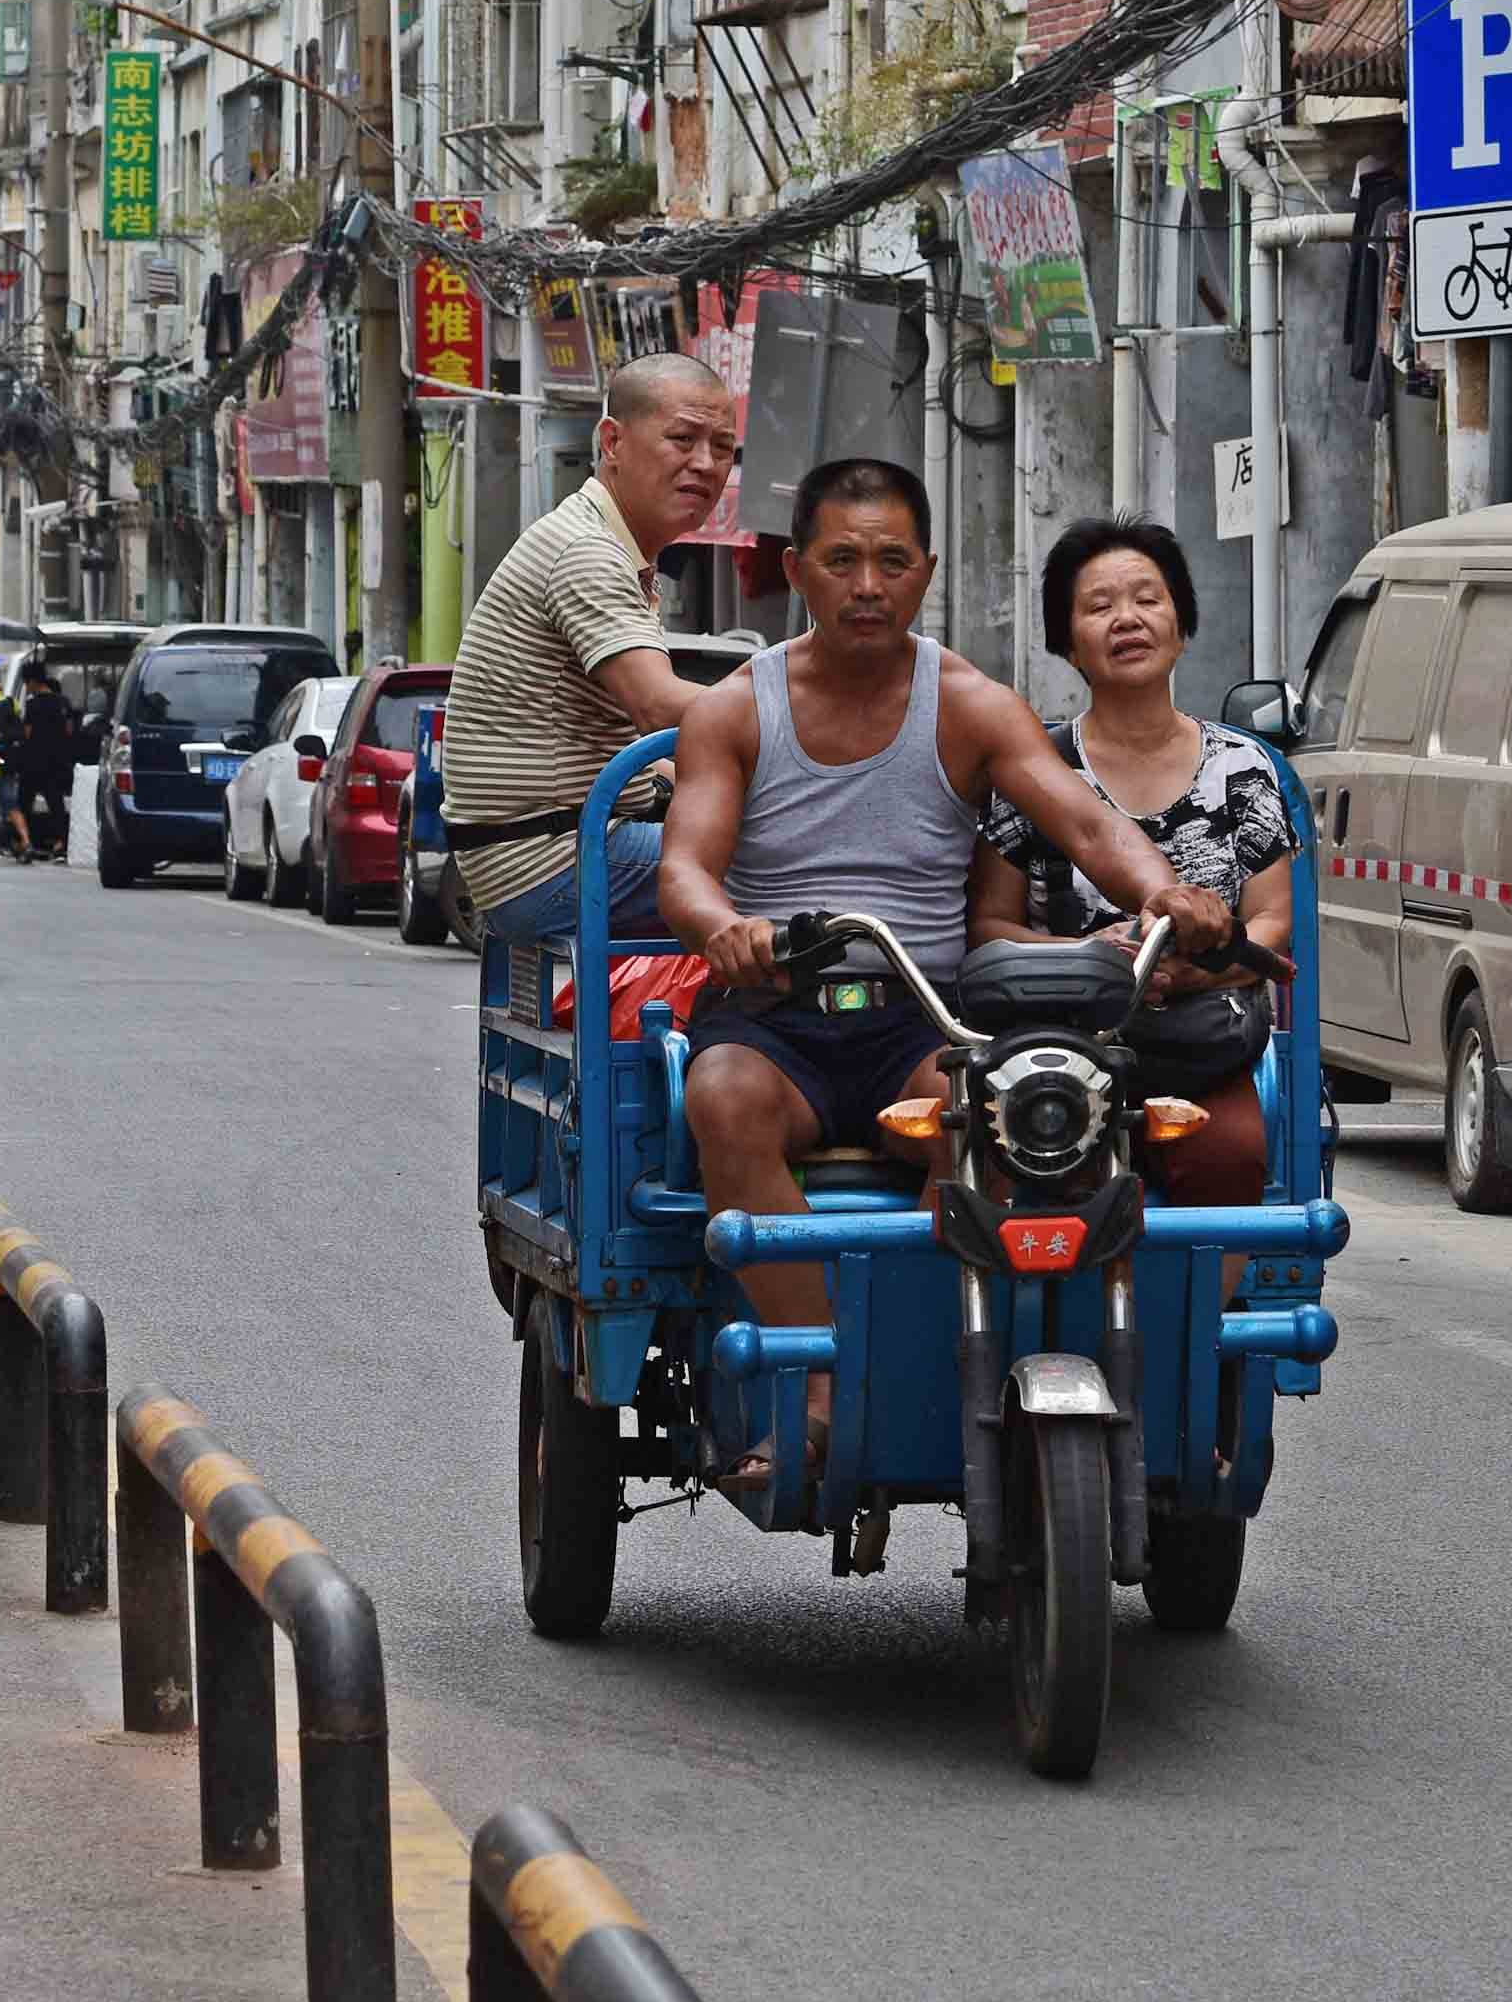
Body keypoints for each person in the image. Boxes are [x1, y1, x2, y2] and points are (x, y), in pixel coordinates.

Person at [657, 460, 1232, 1470]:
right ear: (798, 571)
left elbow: (1088, 826)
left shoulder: (970, 702)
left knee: (1005, 1123)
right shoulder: (734, 711)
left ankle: (931, 1357)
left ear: (925, 573)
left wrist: (1160, 890)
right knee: (721, 1099)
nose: (866, 585)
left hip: (920, 1018)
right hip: (773, 1019)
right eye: (840, 561)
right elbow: (684, 869)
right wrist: (724, 929)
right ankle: (824, 1376)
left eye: (889, 561)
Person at [969, 518, 1299, 1198]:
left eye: (1148, 599)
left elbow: (1270, 923)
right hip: (1058, 1045)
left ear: (1182, 624)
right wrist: (1087, 959)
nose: (1128, 619)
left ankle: (1196, 1307)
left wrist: (1187, 974)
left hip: (1201, 1042)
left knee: (1231, 1154)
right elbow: (990, 927)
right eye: (1099, 606)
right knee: (1027, 1163)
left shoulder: (1243, 768)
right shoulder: (1036, 772)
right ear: (1068, 642)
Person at [439, 353, 744, 942]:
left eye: (723, 447)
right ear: (613, 441)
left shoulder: (607, 545)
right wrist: (812, 721)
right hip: (553, 862)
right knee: (812, 866)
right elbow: (659, 706)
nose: (705, 465)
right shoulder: (586, 551)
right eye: (681, 439)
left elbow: (639, 744)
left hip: (542, 852)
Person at [0, 668, 79, 859]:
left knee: (25, 802)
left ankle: (24, 842)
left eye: (27, 683)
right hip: (57, 761)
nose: (27, 687)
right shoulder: (63, 702)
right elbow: (69, 731)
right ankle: (61, 843)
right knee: (56, 802)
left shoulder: (33, 704)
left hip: (33, 761)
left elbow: (27, 733)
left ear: (34, 682)